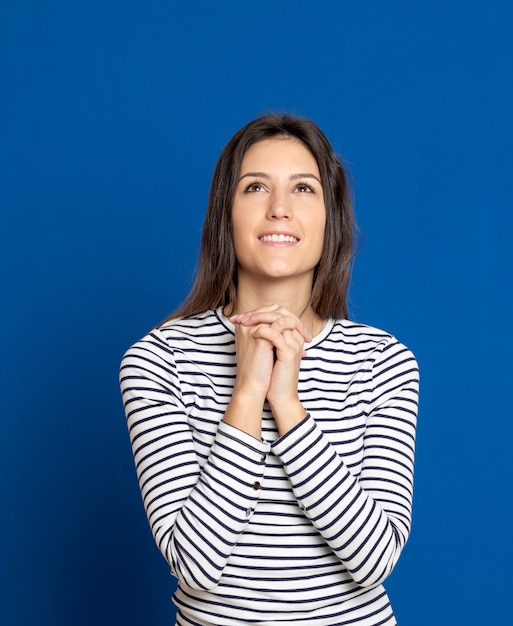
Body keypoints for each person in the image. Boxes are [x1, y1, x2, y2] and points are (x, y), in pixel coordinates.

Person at [119, 113, 419, 626]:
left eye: (303, 189)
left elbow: (374, 560)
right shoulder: (157, 360)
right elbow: (194, 565)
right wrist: (248, 390)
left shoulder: (382, 362)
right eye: (255, 187)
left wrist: (288, 405)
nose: (279, 209)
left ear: (331, 219)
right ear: (225, 216)